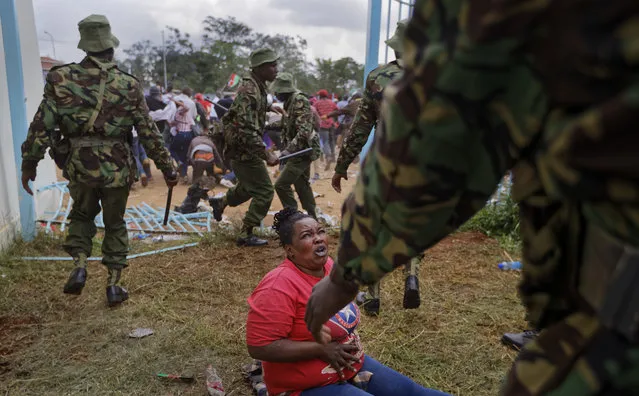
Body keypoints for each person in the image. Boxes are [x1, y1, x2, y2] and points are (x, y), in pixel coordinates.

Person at [305, 0, 639, 394]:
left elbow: (436, 147)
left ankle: (373, 297)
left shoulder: (386, 75)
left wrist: (345, 275)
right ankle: (412, 276)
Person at [20, 14, 177, 306]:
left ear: (85, 46)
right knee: (115, 223)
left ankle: (79, 266)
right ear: (111, 47)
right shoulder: (129, 84)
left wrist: (29, 164)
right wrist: (168, 168)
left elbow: (41, 127)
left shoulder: (60, 78)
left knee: (81, 216)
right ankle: (114, 286)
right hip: (118, 167)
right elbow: (149, 133)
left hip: (80, 165)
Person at [246, 208, 450, 396]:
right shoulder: (278, 286)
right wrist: (320, 349)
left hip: (351, 365)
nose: (318, 239)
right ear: (290, 250)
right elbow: (260, 347)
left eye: (320, 231)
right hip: (303, 387)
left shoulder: (328, 266)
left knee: (415, 393)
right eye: (307, 236)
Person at [333, 20, 420, 316]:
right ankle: (412, 277)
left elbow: (361, 127)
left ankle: (373, 296)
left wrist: (342, 164)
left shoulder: (378, 77)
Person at [208, 48, 283, 247]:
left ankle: (221, 202)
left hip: (243, 147)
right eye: (271, 65)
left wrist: (268, 107)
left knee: (249, 187)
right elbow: (247, 128)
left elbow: (246, 109)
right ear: (259, 68)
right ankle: (245, 232)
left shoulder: (257, 87)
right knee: (265, 191)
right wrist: (266, 154)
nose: (276, 69)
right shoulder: (250, 89)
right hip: (242, 148)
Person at [271, 73, 321, 219]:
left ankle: (293, 217)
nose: (275, 94)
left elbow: (304, 131)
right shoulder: (290, 101)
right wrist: (268, 127)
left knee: (281, 185)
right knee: (302, 184)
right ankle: (312, 217)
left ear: (284, 90)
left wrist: (287, 151)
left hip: (302, 151)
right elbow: (286, 123)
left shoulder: (298, 100)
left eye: (277, 92)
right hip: (299, 150)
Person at [313, 90, 339, 170]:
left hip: (322, 124)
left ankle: (328, 157)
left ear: (320, 96)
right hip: (331, 124)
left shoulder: (317, 103)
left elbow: (313, 112)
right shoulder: (332, 102)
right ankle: (333, 157)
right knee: (332, 141)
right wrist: (335, 121)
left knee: (325, 141)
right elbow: (337, 111)